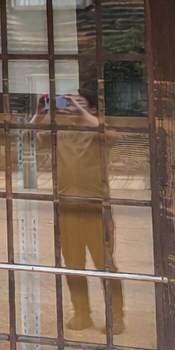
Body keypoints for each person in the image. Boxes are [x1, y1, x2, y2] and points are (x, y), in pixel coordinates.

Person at [44, 90, 125, 335]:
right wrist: (41, 114)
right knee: (73, 263)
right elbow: (27, 139)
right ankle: (81, 312)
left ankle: (116, 316)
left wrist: (83, 113)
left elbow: (111, 136)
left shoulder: (97, 132)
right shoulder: (61, 132)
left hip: (95, 207)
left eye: (78, 103)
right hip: (66, 207)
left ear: (92, 110)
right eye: (67, 103)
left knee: (105, 263)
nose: (71, 107)